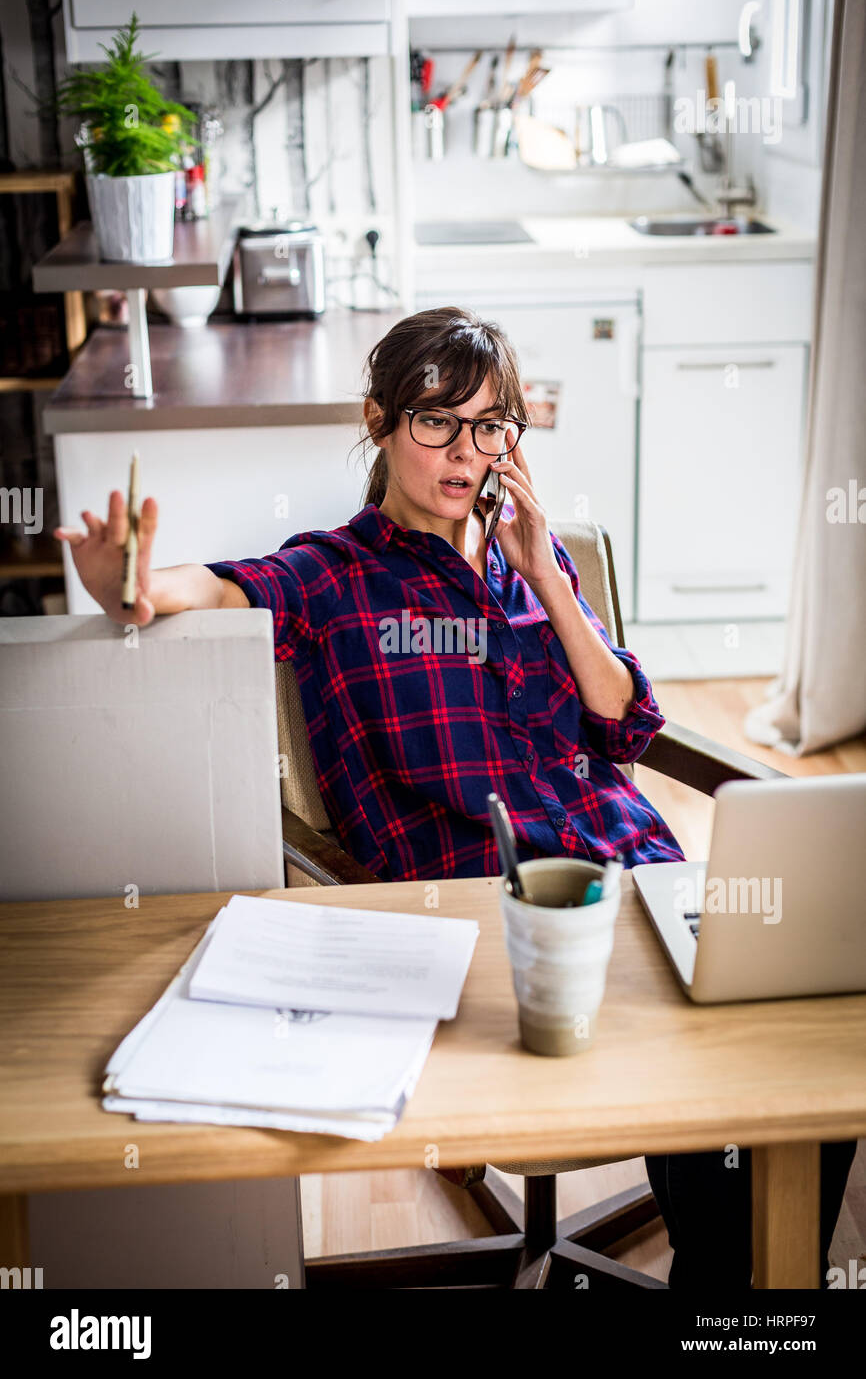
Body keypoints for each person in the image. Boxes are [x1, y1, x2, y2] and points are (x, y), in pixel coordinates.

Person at [55, 305, 854, 1284]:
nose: (463, 451)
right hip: (485, 920)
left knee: (810, 1072)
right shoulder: (330, 576)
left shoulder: (532, 555)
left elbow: (625, 726)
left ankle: (740, 1299)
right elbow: (208, 586)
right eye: (435, 420)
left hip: (634, 878)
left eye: (489, 426)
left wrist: (547, 580)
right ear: (380, 421)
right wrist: (126, 586)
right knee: (736, 1090)